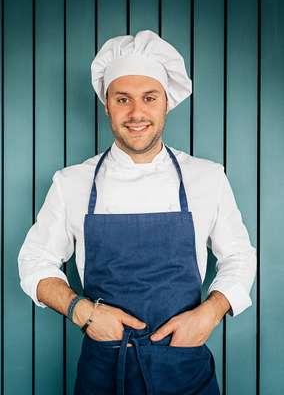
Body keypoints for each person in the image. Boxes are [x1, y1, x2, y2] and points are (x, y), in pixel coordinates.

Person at [18, 30, 257, 395]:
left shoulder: (207, 177)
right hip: (104, 368)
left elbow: (239, 255)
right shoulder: (72, 183)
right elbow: (34, 261)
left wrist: (209, 314)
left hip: (185, 367)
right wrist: (82, 312)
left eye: (149, 98)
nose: (136, 113)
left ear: (166, 102)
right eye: (122, 99)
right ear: (106, 104)